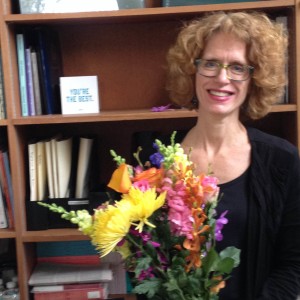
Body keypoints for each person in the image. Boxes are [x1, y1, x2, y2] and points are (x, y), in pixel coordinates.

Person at [165, 11, 300, 300]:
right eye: (210, 63)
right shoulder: (156, 163)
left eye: (238, 67)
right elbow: (146, 266)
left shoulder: (283, 161)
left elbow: (294, 266)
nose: (222, 77)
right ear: (192, 70)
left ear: (254, 78)